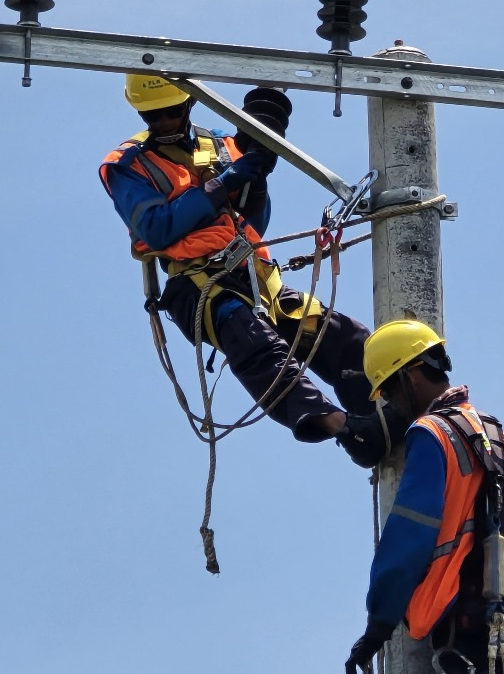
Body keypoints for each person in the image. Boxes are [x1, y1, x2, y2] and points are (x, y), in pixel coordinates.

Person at [99, 74, 396, 461]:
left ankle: (390, 413)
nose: (165, 121)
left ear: (188, 103)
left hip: (256, 275)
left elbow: (253, 224)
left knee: (341, 337)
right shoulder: (127, 163)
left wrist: (254, 183)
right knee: (254, 342)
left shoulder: (223, 145)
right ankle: (338, 425)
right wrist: (225, 182)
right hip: (198, 284)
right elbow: (157, 228)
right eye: (154, 116)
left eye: (172, 111)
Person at [344, 320, 504, 674]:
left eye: (389, 390)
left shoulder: (431, 432)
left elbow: (410, 532)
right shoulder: (494, 431)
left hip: (461, 622)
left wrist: (378, 625)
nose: (392, 404)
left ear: (413, 374)